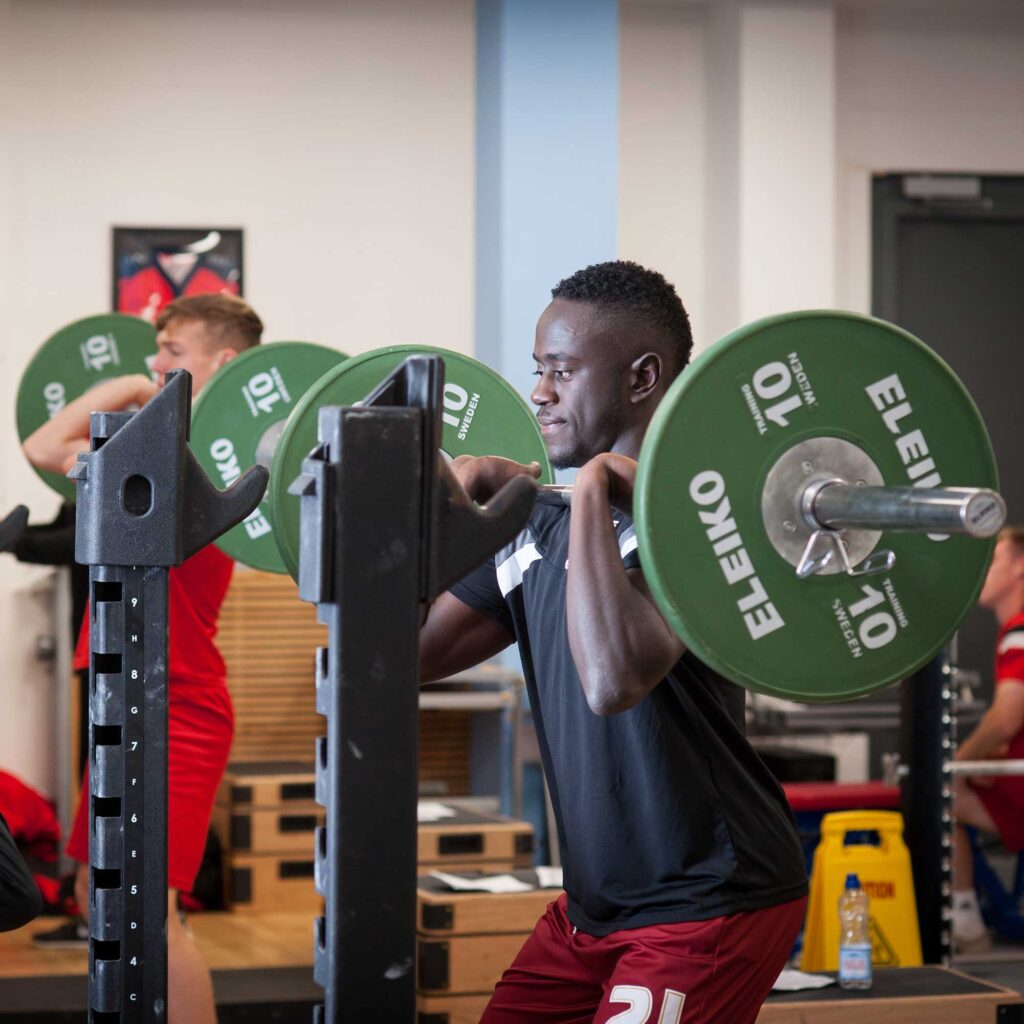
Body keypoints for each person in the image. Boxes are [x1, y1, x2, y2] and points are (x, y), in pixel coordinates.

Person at [420, 261, 808, 1023]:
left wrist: (595, 487)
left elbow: (611, 679)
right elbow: (406, 660)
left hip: (707, 900)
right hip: (592, 911)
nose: (539, 393)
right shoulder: (539, 521)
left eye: (561, 372)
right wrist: (442, 533)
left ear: (641, 377)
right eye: (538, 372)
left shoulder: (706, 522)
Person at [22, 292, 262, 1024]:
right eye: (154, 354)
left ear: (225, 365)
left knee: (151, 918)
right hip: (124, 699)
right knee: (113, 911)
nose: (154, 366)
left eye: (174, 354)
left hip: (179, 707)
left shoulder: (212, 462)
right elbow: (44, 449)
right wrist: (141, 384)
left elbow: (48, 447)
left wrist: (141, 389)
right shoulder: (141, 449)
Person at [952, 526, 1024, 953]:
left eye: (993, 560)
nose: (982, 571)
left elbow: (1005, 720)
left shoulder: (1020, 631)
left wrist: (957, 762)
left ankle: (964, 923)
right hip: (1011, 782)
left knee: (936, 791)